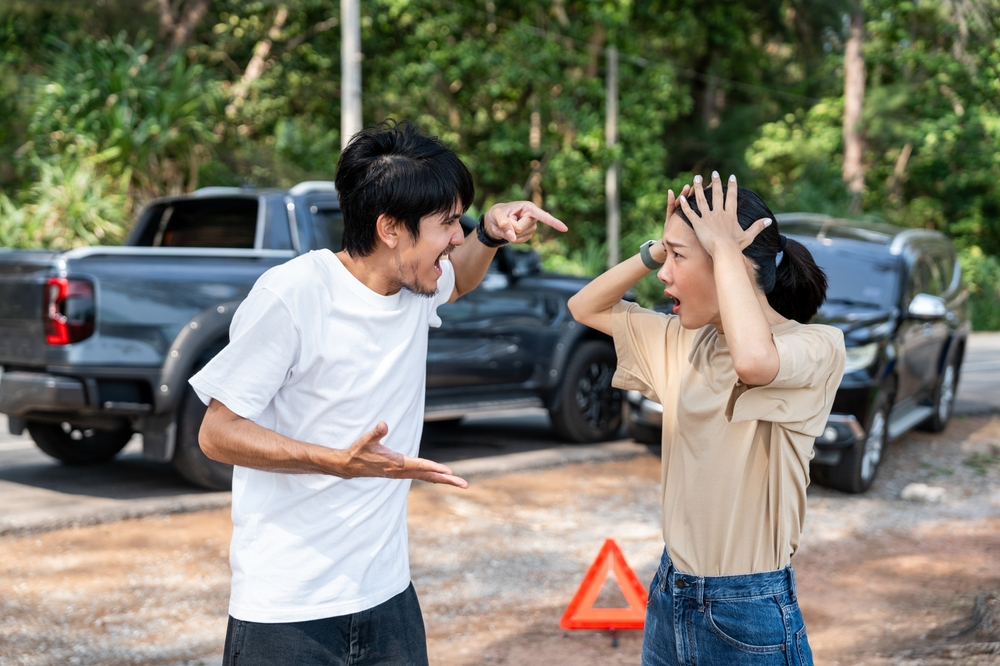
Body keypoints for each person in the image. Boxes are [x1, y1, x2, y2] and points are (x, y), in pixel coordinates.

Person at [190, 120, 566, 666]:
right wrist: (336, 462)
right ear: (391, 228)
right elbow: (217, 432)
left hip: (388, 598)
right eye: (446, 224)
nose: (456, 237)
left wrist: (488, 233)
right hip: (287, 609)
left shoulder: (414, 284)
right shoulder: (293, 295)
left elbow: (456, 280)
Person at [568, 172, 845, 665]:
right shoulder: (682, 339)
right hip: (670, 590)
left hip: (748, 609)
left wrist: (721, 252)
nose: (663, 273)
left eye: (678, 257)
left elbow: (755, 364)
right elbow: (584, 305)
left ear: (730, 265)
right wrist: (658, 245)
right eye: (665, 256)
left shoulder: (816, 346)